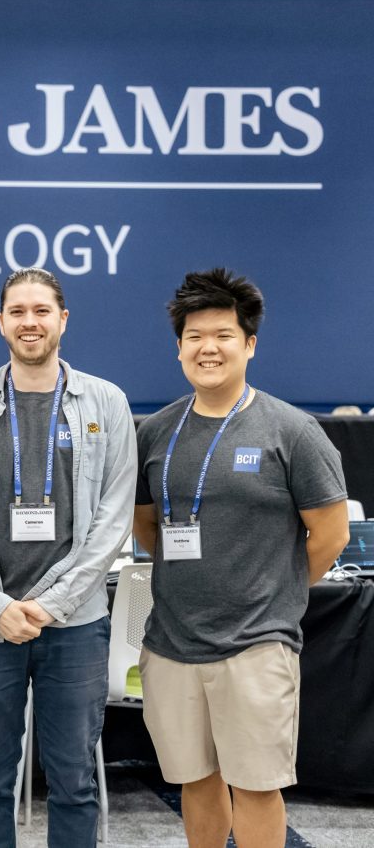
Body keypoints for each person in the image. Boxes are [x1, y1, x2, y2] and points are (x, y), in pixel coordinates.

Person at [133, 268, 349, 848]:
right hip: (171, 645)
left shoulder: (292, 432)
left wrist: (274, 589)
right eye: (195, 336)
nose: (209, 347)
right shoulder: (155, 431)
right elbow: (145, 522)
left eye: (224, 335)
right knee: (195, 781)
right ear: (179, 347)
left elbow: (330, 535)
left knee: (256, 787)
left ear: (249, 344)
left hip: (256, 646)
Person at [0, 267, 136, 847]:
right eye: (17, 311)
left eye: (41, 310)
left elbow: (113, 521)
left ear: (63, 319)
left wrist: (51, 606)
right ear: (1, 323)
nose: (29, 322)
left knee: (73, 781)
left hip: (75, 626)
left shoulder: (107, 403)